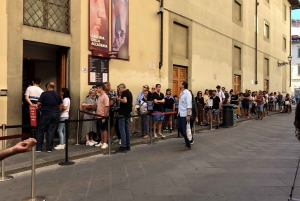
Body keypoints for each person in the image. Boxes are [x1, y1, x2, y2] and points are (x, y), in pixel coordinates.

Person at [35, 82, 63, 152]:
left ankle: (39, 148)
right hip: (55, 114)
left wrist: (37, 105)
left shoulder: (44, 94)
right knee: (51, 131)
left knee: (40, 130)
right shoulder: (57, 94)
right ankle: (49, 148)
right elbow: (61, 104)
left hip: (45, 114)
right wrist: (58, 112)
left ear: (48, 86)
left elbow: (39, 103)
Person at [115, 83, 133, 153]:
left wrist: (118, 99)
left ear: (122, 88)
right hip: (128, 113)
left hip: (122, 113)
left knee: (122, 129)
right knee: (127, 129)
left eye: (119, 89)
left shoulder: (124, 93)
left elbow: (125, 101)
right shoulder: (129, 92)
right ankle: (128, 145)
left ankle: (123, 146)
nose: (119, 91)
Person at [177, 81, 192, 151]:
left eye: (180, 83)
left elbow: (189, 105)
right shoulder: (181, 93)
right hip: (180, 113)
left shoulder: (187, 93)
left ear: (183, 85)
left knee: (184, 130)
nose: (179, 84)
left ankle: (188, 144)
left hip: (185, 114)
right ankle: (188, 139)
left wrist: (188, 115)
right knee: (179, 127)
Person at [94, 83, 109, 149]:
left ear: (101, 88)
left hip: (103, 115)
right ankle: (102, 141)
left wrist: (104, 116)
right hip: (99, 115)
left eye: (97, 88)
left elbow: (106, 107)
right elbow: (98, 106)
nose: (96, 89)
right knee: (100, 129)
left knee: (104, 129)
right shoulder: (99, 96)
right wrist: (96, 114)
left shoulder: (105, 97)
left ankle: (105, 142)